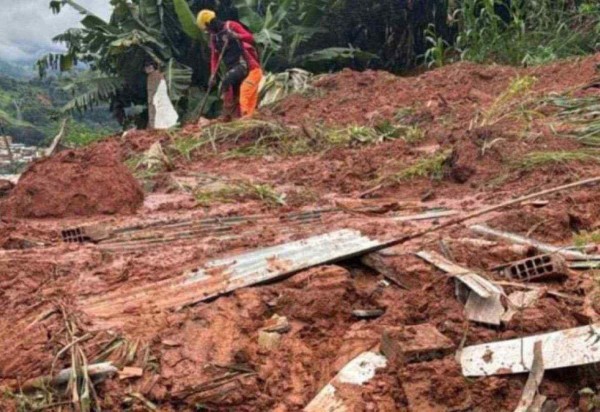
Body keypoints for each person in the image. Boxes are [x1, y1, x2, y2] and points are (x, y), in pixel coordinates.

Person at [197, 10, 263, 120]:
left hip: (243, 64)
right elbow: (214, 57)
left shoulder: (231, 26)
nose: (208, 31)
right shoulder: (214, 37)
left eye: (207, 28)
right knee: (235, 93)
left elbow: (250, 38)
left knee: (227, 81)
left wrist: (237, 36)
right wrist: (213, 74)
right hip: (231, 67)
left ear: (210, 24)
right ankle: (237, 116)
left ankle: (227, 112)